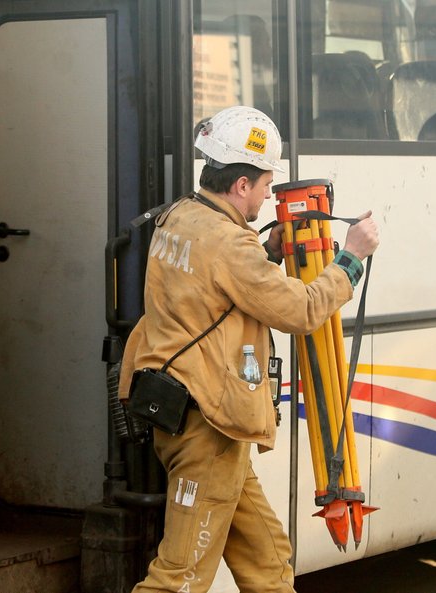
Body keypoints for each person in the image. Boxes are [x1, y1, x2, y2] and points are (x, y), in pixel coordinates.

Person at [120, 105, 379, 593]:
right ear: (241, 185)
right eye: (264, 185)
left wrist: (269, 253)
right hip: (208, 430)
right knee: (178, 579)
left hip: (185, 416)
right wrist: (351, 259)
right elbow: (300, 310)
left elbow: (213, 288)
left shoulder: (178, 218)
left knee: (269, 561)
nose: (266, 195)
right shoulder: (230, 245)